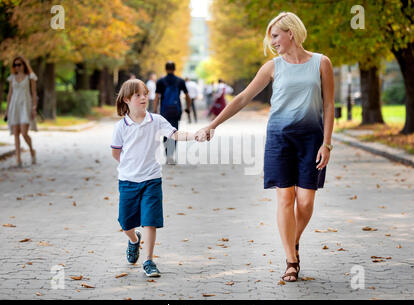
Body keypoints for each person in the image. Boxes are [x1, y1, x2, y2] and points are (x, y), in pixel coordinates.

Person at [195, 12, 335, 282]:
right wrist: (213, 125)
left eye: (275, 35)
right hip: (279, 139)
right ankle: (291, 260)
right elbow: (244, 97)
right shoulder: (273, 67)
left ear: (290, 33)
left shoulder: (321, 63)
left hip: (311, 139)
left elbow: (329, 105)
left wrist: (327, 143)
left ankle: (291, 240)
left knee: (305, 203)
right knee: (285, 198)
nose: (272, 42)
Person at [111, 79, 194, 277]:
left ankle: (148, 261)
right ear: (127, 100)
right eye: (138, 95)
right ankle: (133, 240)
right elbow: (116, 153)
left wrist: (195, 135)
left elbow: (175, 135)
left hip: (152, 179)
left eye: (145, 94)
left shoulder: (156, 120)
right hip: (128, 180)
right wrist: (129, 165)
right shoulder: (121, 126)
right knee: (126, 223)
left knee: (150, 220)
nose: (143, 98)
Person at [153, 61, 191, 164]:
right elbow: (188, 96)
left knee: (165, 132)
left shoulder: (160, 81)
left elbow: (156, 97)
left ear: (165, 69)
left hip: (164, 111)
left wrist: (155, 111)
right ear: (174, 69)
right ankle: (170, 155)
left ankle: (167, 155)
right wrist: (188, 108)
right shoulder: (180, 81)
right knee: (174, 132)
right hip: (176, 111)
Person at [4, 56, 38, 168]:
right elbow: (9, 94)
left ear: (24, 65)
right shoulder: (12, 78)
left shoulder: (30, 77)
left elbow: (33, 93)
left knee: (24, 132)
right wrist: (7, 110)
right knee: (16, 134)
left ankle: (32, 151)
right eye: (15, 65)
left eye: (19, 64)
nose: (17, 67)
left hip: (25, 106)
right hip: (14, 106)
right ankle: (18, 160)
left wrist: (34, 107)